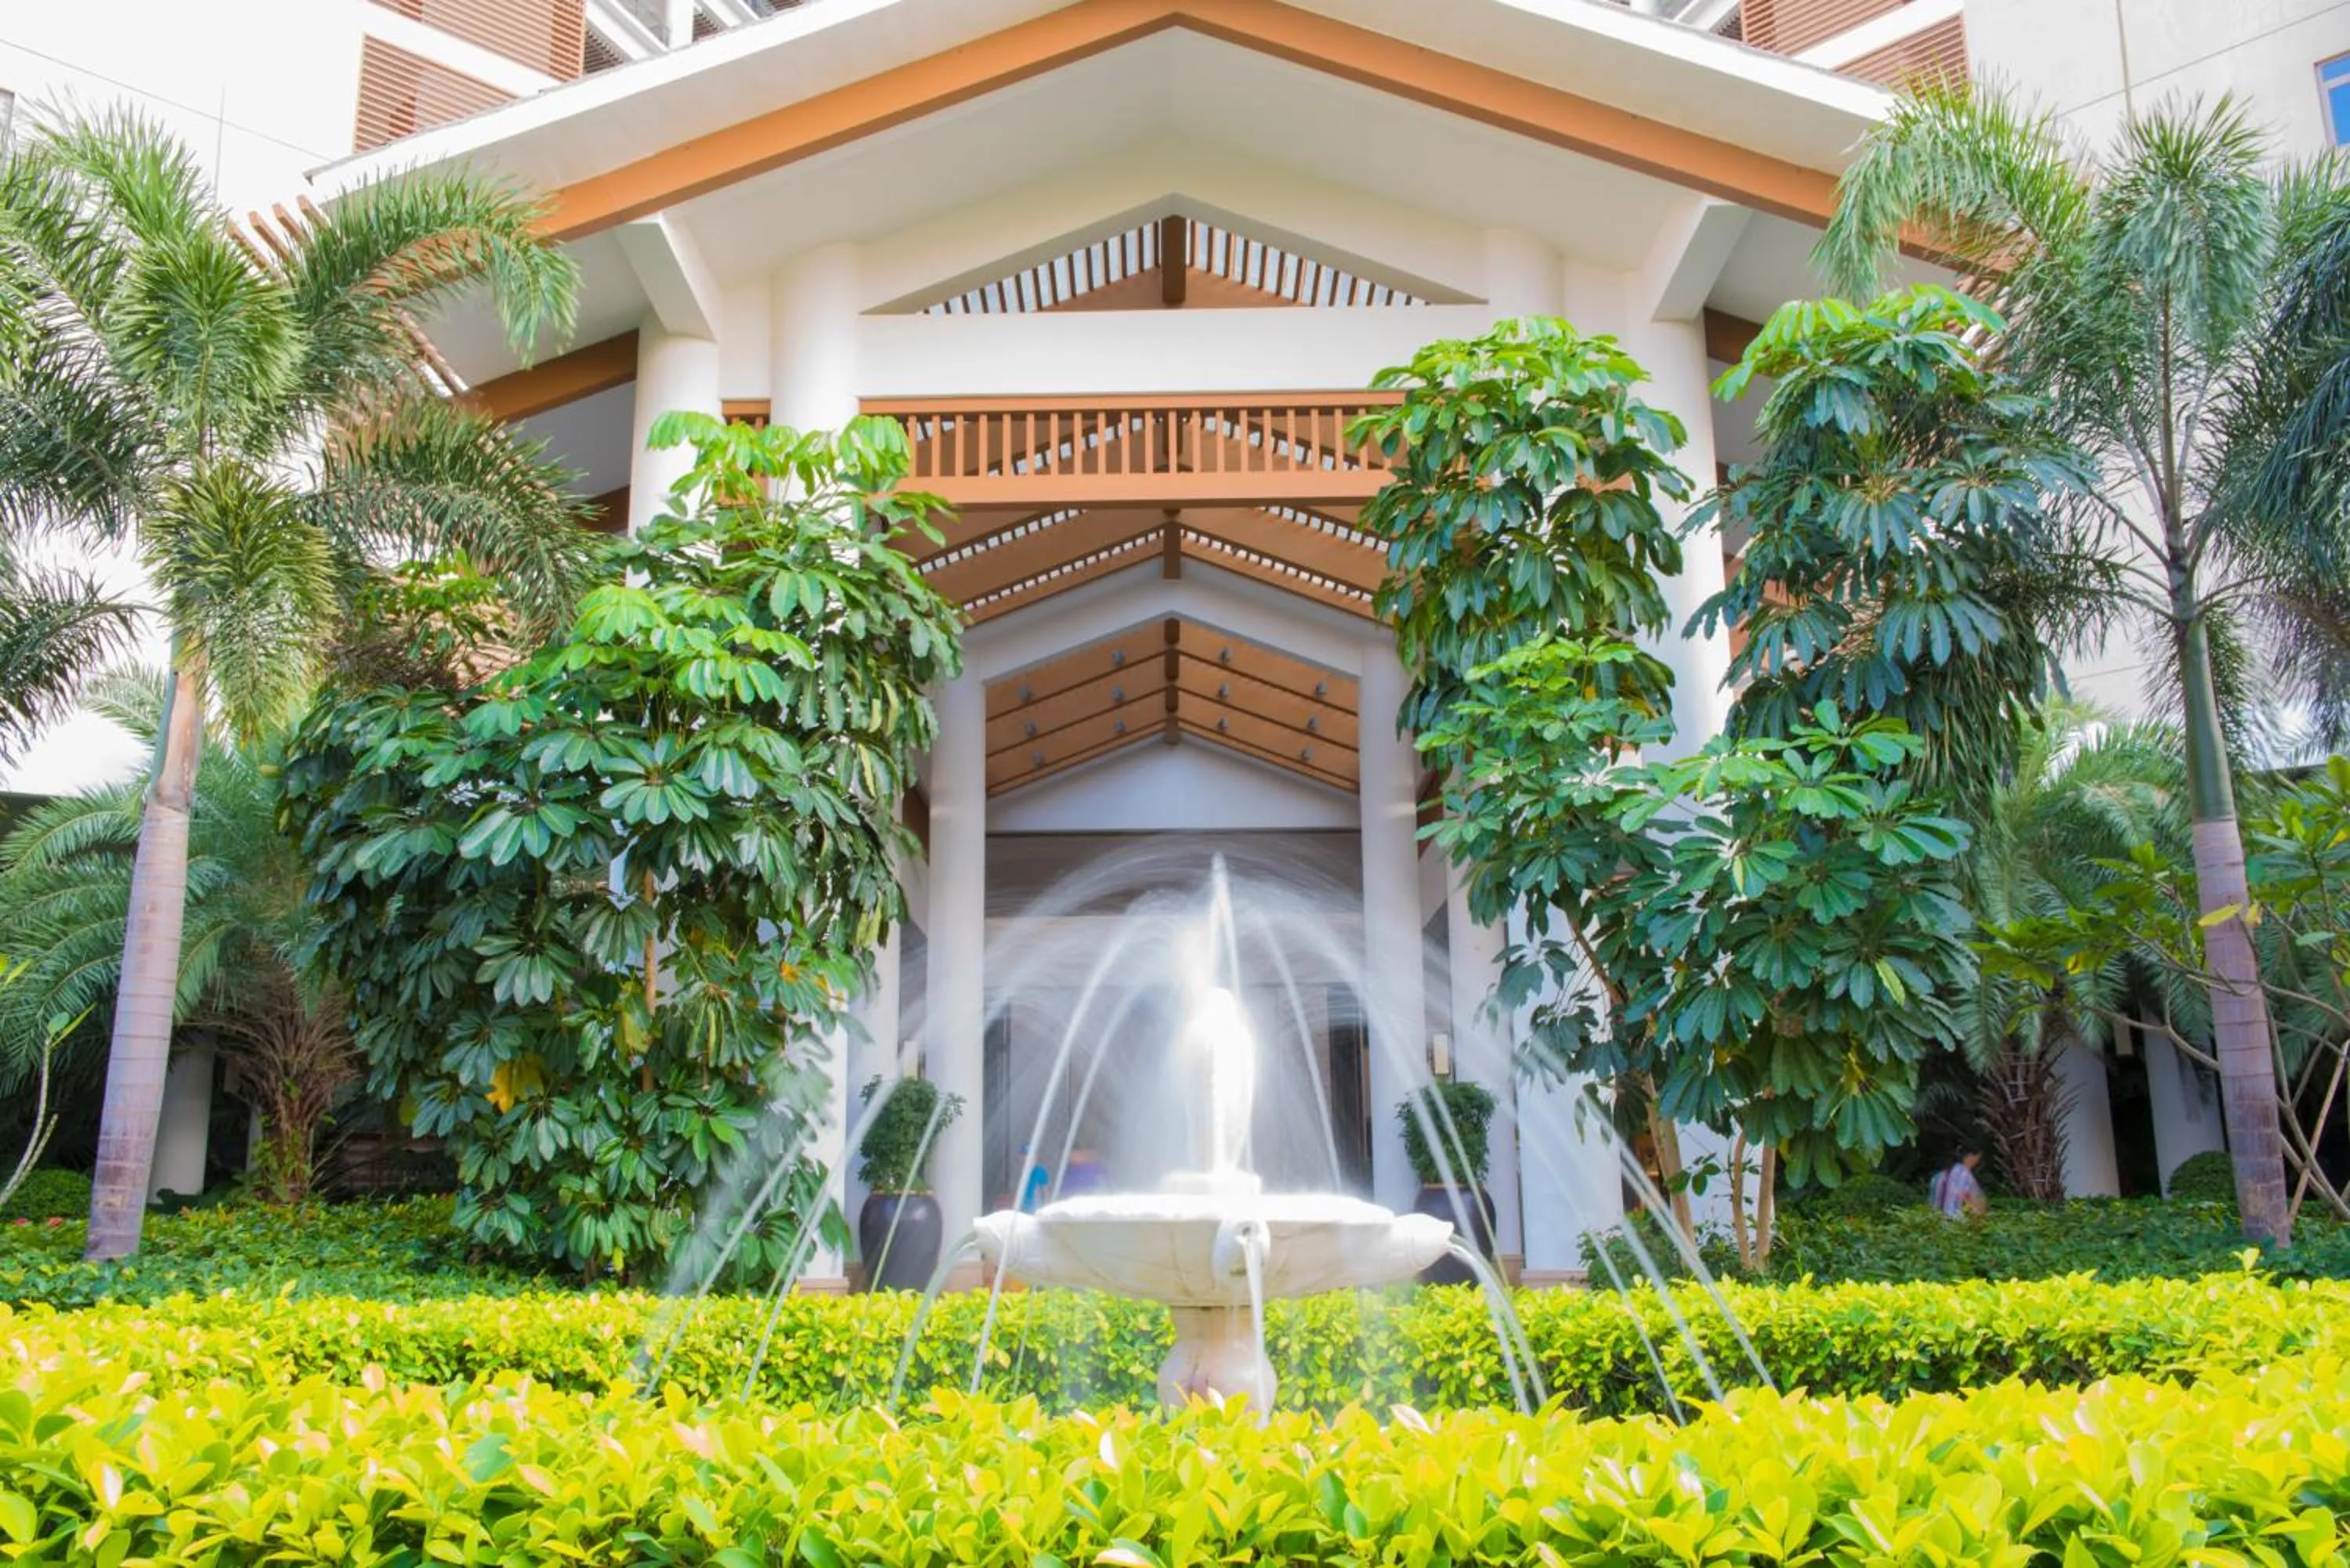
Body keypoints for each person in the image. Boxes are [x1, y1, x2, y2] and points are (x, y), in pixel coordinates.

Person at [1929, 1148, 1988, 1219]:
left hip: (1934, 1222)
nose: (1977, 1163)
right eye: (1978, 1159)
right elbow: (1978, 1205)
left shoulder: (1937, 1177)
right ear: (1970, 1156)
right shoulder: (1966, 1175)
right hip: (1956, 1223)